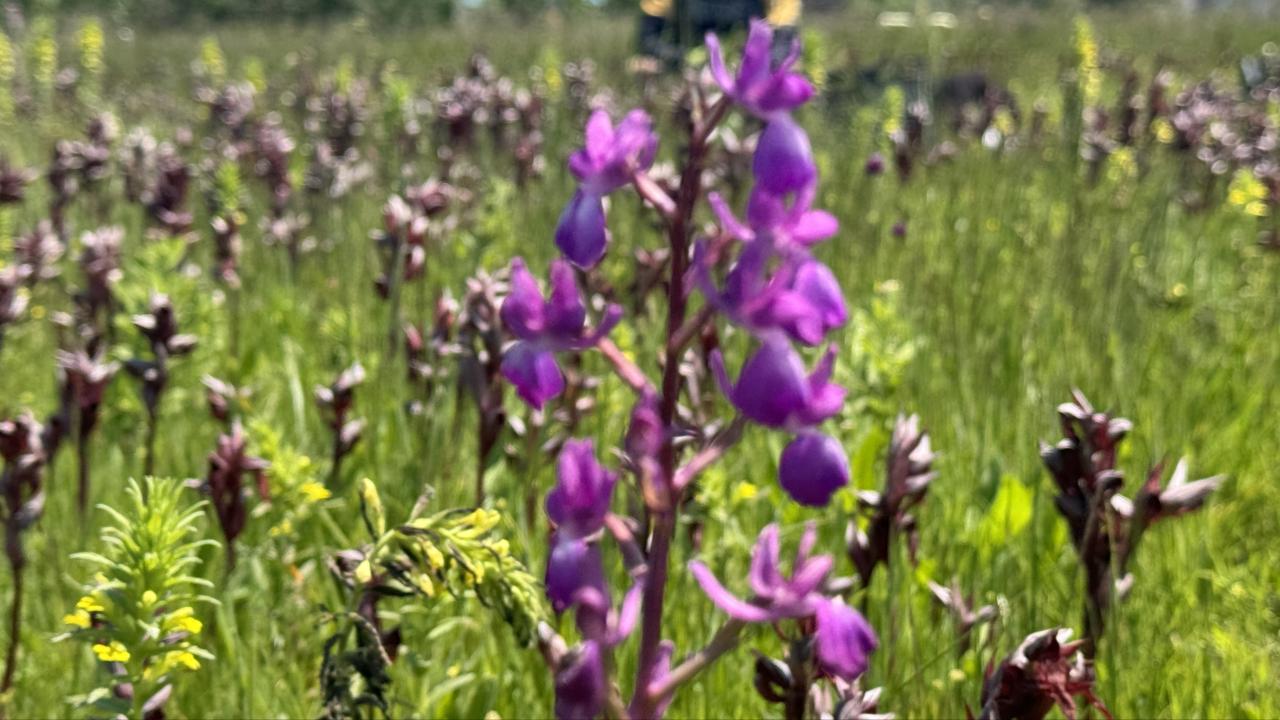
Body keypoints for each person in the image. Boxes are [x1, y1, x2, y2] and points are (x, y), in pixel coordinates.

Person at [638, 0, 801, 61]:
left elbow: (784, 40)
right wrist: (681, 58)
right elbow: (648, 39)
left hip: (744, 72)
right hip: (684, 75)